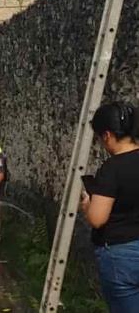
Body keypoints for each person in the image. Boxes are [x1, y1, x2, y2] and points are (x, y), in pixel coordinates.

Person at [81, 101, 139, 312]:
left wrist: (88, 204)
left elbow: (98, 219)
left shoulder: (112, 168)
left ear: (107, 135)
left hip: (121, 254)